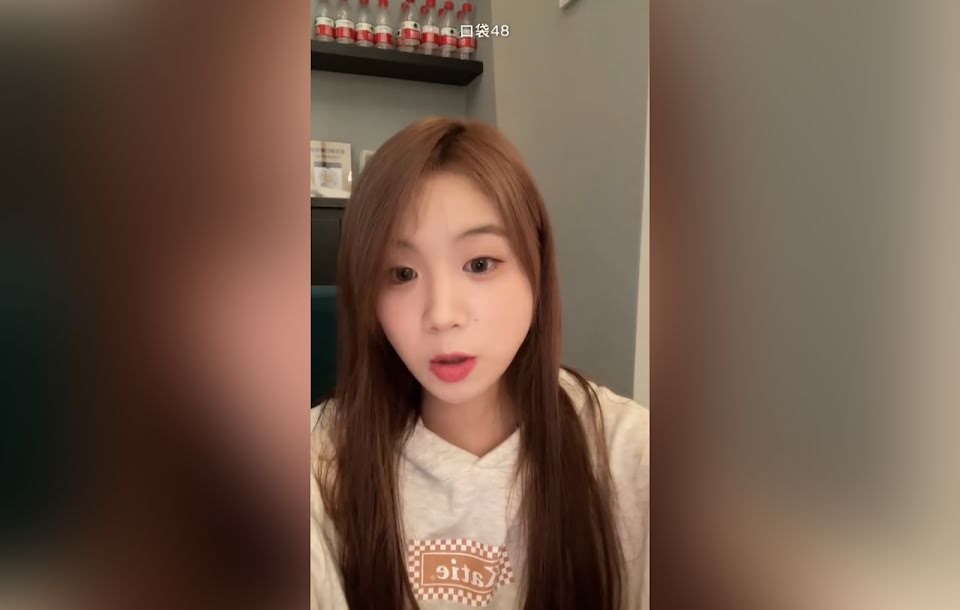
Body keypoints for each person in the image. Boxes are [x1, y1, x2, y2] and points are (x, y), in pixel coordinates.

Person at [311, 117, 649, 610]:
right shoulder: (320, 460)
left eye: (480, 264)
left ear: (536, 268)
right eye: (401, 273)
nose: (442, 315)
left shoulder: (625, 453)